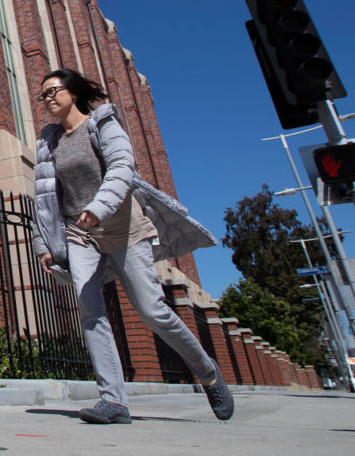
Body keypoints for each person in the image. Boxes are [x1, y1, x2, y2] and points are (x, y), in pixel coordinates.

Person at [30, 68, 234, 425]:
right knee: (91, 312)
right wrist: (43, 243)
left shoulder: (102, 123)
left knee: (152, 311)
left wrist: (99, 207)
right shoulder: (49, 142)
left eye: (52, 91)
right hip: (81, 233)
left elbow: (123, 167)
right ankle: (113, 401)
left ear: (73, 92)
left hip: (123, 225)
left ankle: (208, 373)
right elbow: (45, 197)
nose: (47, 99)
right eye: (42, 95)